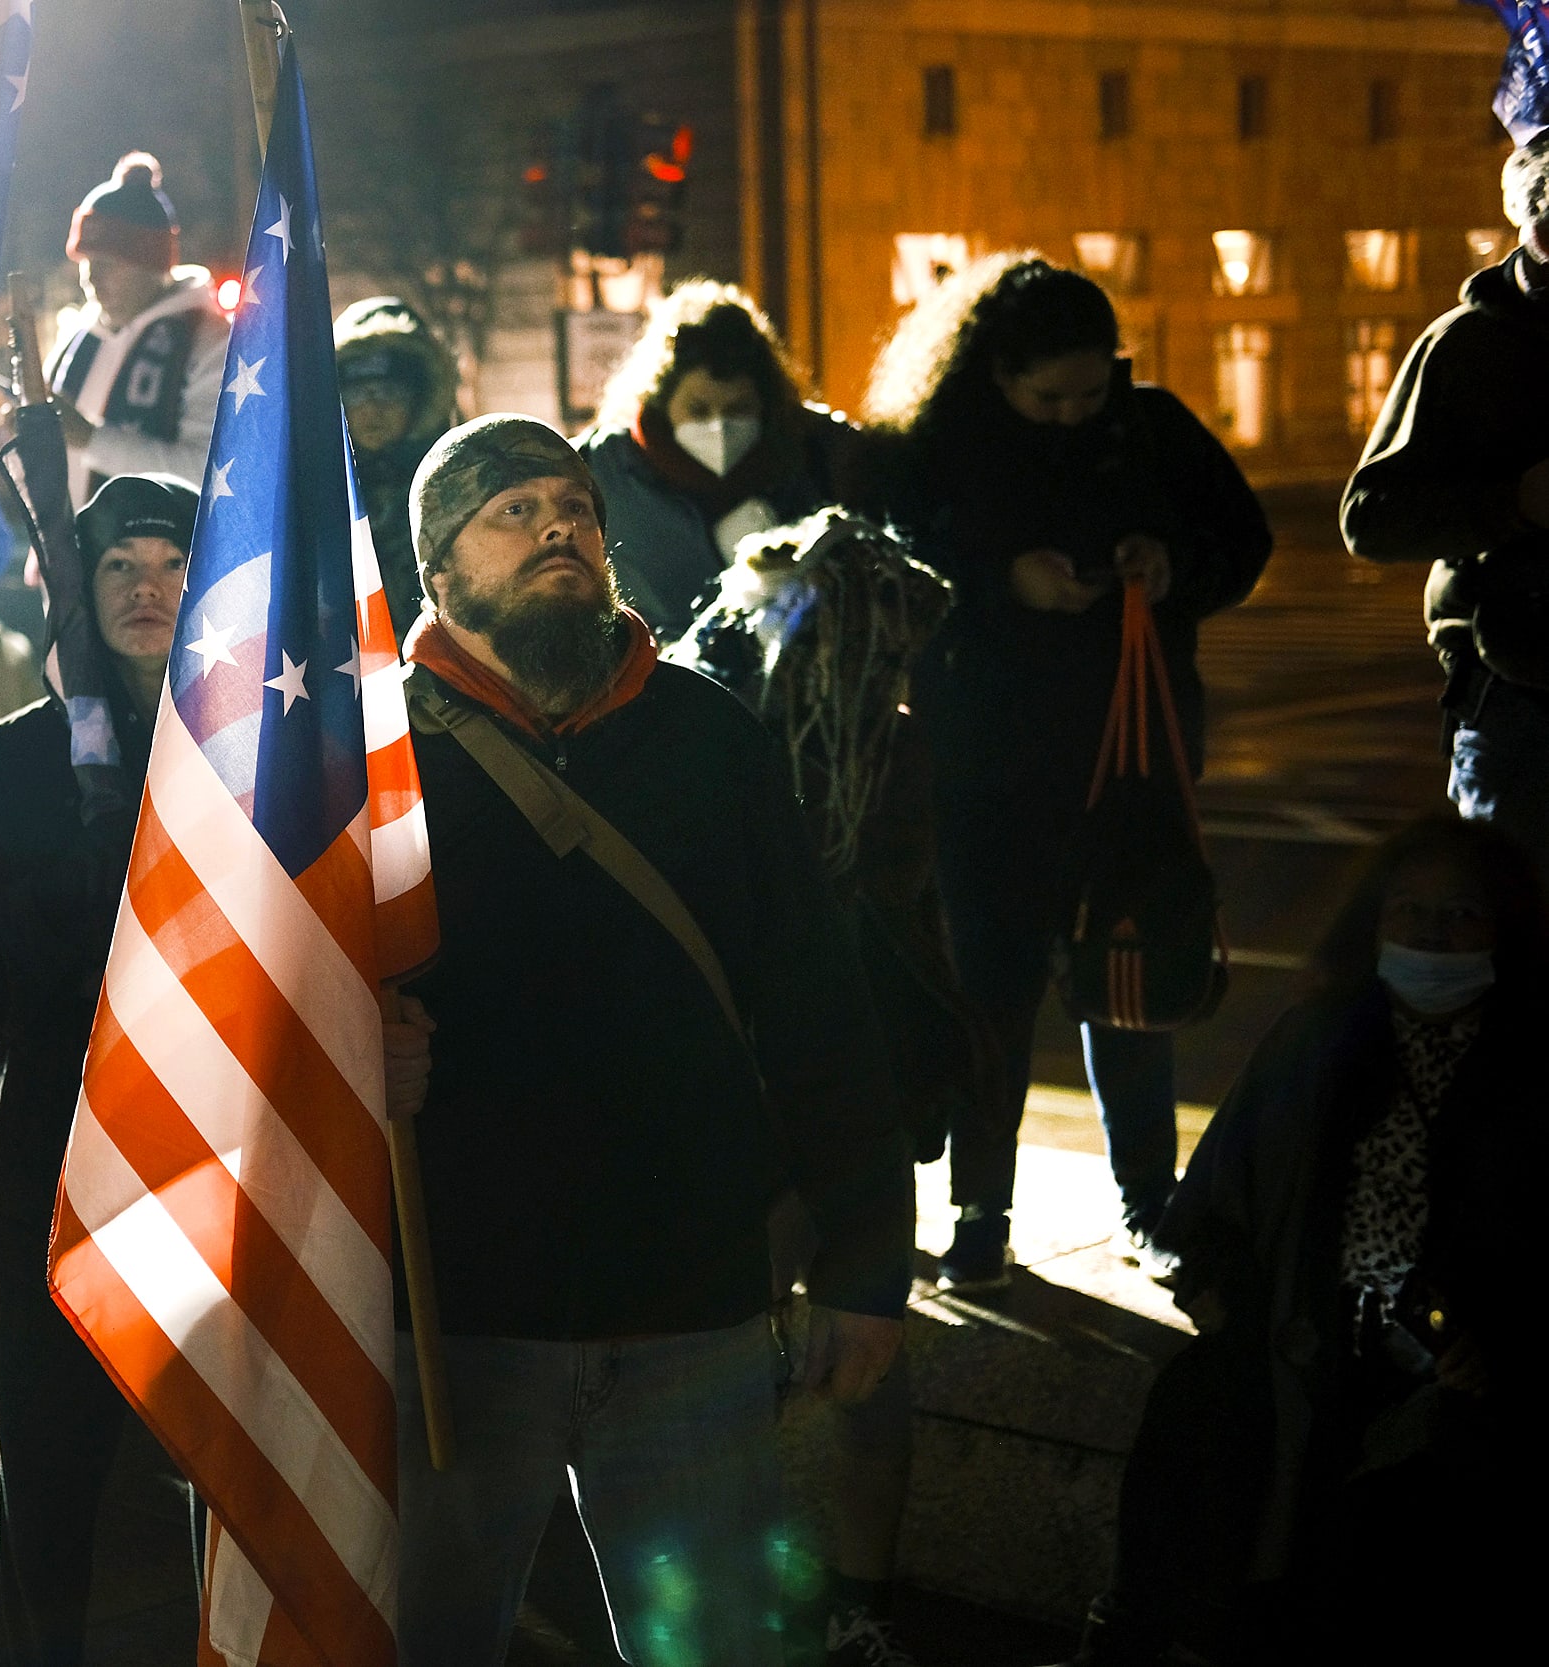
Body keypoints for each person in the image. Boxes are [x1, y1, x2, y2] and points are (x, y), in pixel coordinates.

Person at [385, 416, 912, 1666]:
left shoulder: (706, 735)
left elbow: (817, 1006)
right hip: (456, 1316)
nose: (559, 526)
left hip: (692, 1307)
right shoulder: (366, 752)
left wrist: (864, 1258)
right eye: (512, 512)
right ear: (440, 569)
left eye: (574, 505)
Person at [865, 254, 1271, 1288]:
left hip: (1128, 747)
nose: (1070, 413)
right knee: (992, 991)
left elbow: (1240, 536)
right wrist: (1002, 581)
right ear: (991, 372)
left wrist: (1169, 564)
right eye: (1045, 396)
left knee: (1126, 972)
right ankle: (979, 1213)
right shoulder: (937, 438)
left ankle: (1147, 1201)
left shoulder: (1149, 424)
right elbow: (891, 557)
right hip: (986, 758)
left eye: (1090, 391)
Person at [1052, 816, 1538, 1665]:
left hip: (1447, 1369)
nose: (1432, 935)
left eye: (1460, 915)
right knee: (1201, 1419)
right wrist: (1219, 1289)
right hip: (1300, 1334)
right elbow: (1209, 1207)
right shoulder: (1319, 1038)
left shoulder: (1529, 1062)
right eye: (1410, 912)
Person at [676, 510, 994, 1665]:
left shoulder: (890, 744)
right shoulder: (721, 729)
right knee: (735, 1368)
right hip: (751, 1077)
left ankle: (856, 1606)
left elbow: (900, 910)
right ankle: (746, 1599)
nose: (868, 668)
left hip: (853, 1074)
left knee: (861, 1358)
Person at [0, 472, 200, 1667]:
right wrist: (42, 926)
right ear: (72, 591)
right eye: (116, 567)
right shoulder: (13, 763)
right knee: (50, 1486)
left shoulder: (263, 739)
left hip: (222, 1155)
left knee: (231, 1477)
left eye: (170, 562)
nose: (145, 589)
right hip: (55, 1164)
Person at [1342, 135, 1549, 876]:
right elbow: (1370, 515)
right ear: (1527, 227)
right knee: (1512, 925)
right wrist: (1513, 504)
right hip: (1517, 695)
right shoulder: (1464, 347)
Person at [580, 281, 881, 645]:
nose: (719, 426)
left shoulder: (822, 452)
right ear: (660, 400)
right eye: (698, 409)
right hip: (659, 689)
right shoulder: (599, 470)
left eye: (738, 409)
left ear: (766, 404)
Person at [46, 153, 229, 503]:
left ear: (153, 266)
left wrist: (90, 439)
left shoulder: (209, 342)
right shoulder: (79, 336)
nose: (90, 279)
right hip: (61, 554)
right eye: (85, 261)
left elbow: (211, 473)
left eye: (107, 263)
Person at [334, 295, 460, 629]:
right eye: (359, 394)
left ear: (420, 400)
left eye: (390, 393)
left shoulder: (455, 484)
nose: (374, 409)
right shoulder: (316, 488)